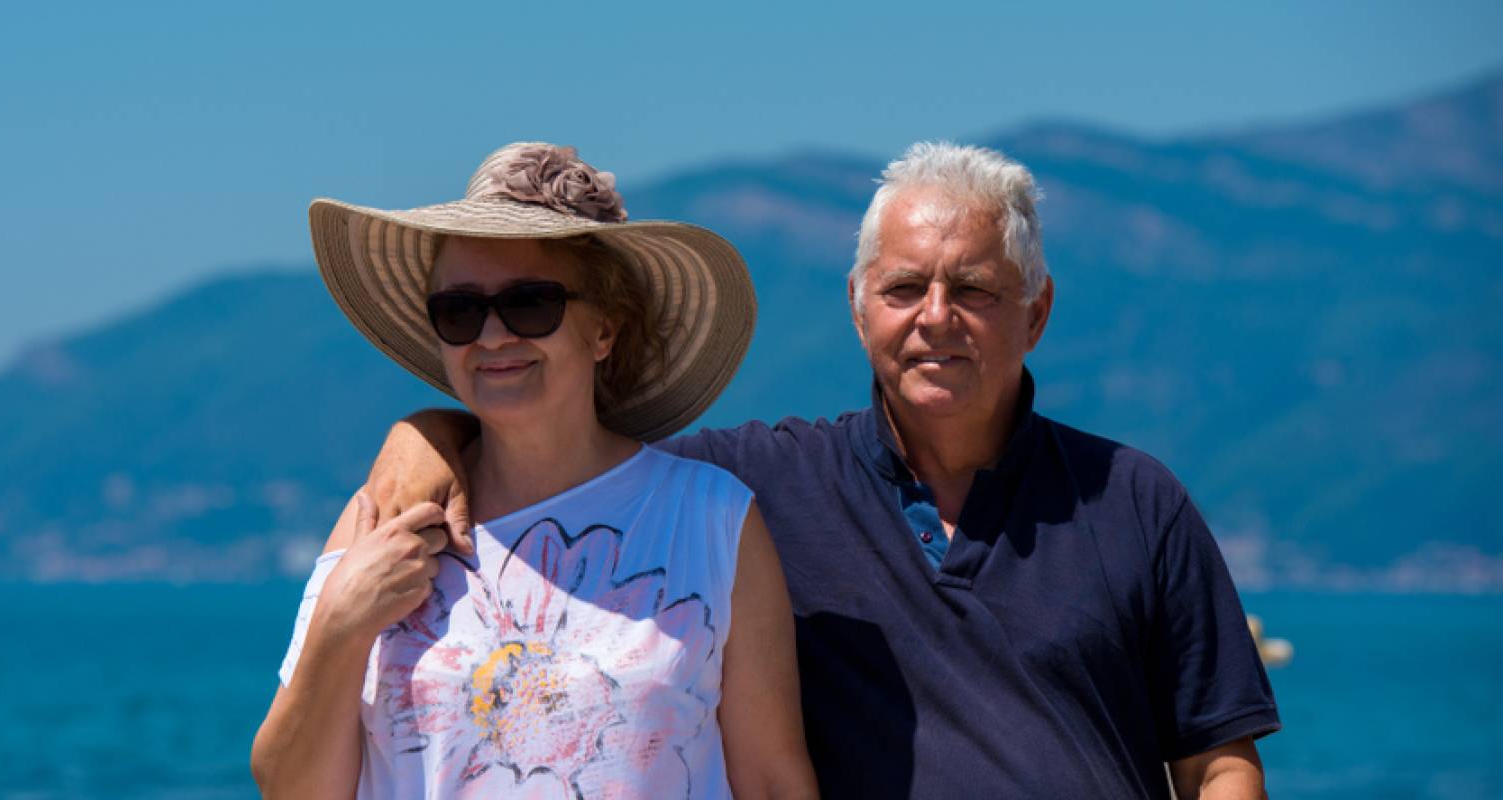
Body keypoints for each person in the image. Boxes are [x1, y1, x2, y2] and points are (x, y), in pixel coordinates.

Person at [358, 142, 1281, 798]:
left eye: (973, 290)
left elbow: (1218, 760)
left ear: (1035, 315)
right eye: (903, 287)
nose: (934, 316)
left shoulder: (1135, 498)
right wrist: (431, 431)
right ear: (856, 307)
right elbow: (563, 446)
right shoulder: (747, 489)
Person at [250, 142, 818, 799]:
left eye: (529, 305)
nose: (492, 336)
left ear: (604, 328)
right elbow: (289, 788)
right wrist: (341, 630)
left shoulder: (714, 520)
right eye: (460, 312)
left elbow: (773, 780)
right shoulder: (381, 518)